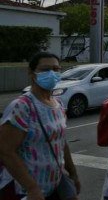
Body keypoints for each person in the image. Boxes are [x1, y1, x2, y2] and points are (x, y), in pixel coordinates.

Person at [0, 52, 80, 200]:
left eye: (56, 69)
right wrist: (32, 188)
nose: (52, 73)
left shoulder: (59, 104)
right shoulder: (22, 107)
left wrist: (73, 173)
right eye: (45, 69)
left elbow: (61, 142)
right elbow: (5, 151)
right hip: (25, 191)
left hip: (55, 185)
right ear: (31, 73)